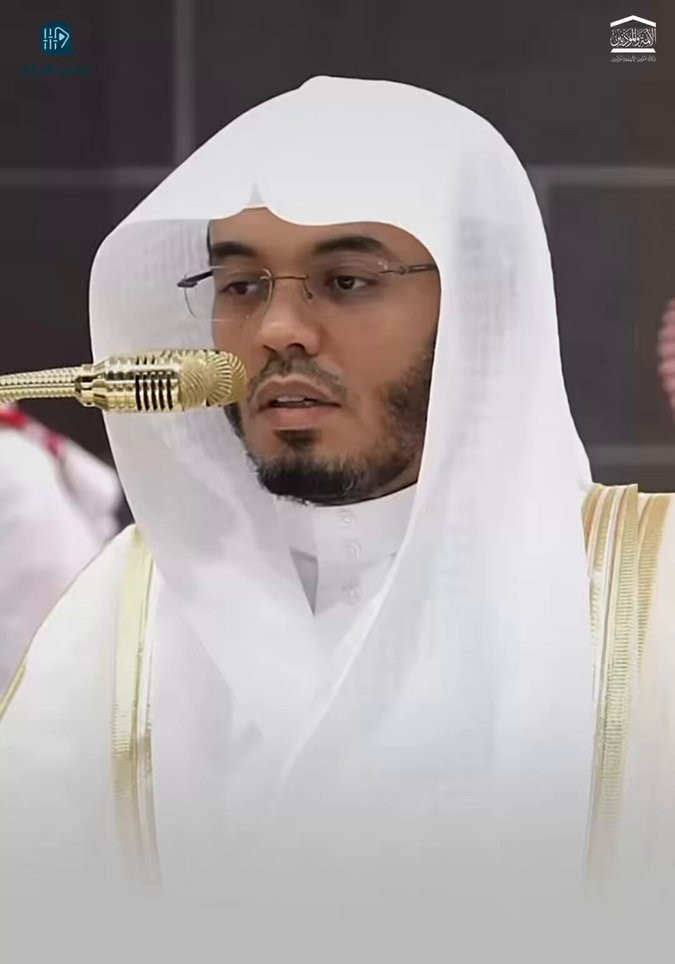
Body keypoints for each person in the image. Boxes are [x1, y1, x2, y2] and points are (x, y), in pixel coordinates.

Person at [2, 75, 674, 906]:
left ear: (481, 306)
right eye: (241, 286)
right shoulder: (125, 609)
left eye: (347, 280)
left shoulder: (645, 600)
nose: (276, 329)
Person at [0, 405, 121, 693]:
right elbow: (105, 493)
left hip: (37, 636)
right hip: (89, 612)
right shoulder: (22, 441)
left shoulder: (13, 455)